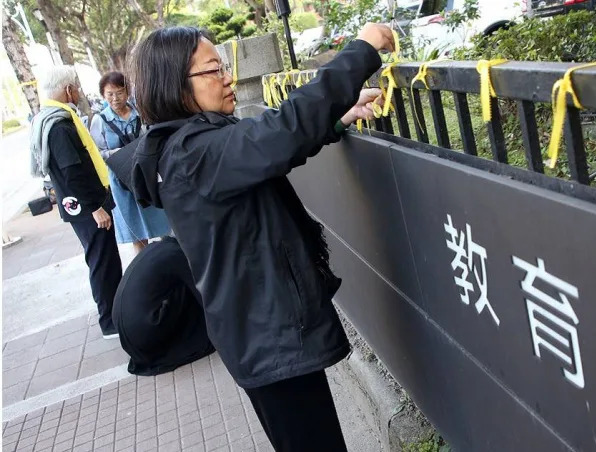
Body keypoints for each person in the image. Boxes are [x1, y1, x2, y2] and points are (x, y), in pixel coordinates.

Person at [126, 25, 392, 450]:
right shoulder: (193, 153)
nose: (227, 77)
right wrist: (361, 51)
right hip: (268, 337)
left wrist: (337, 117)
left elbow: (270, 152)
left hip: (258, 330)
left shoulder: (184, 148)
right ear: (175, 85)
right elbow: (278, 133)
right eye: (214, 70)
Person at [29, 66, 122, 339]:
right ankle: (110, 321)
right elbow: (71, 171)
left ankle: (115, 313)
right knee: (102, 261)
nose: (79, 92)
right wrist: (95, 208)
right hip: (87, 207)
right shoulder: (58, 125)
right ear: (68, 89)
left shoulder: (46, 118)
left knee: (104, 258)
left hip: (81, 204)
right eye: (77, 87)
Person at [90, 72, 171, 255]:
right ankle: (146, 269)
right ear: (103, 95)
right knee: (137, 233)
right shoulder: (99, 120)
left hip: (146, 173)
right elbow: (97, 153)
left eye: (119, 92)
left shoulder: (140, 112)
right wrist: (117, 153)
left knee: (164, 222)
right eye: (109, 94)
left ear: (127, 92)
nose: (115, 98)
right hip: (122, 180)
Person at [113, 237, 214, 376]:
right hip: (146, 333)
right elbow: (206, 298)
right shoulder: (179, 255)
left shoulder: (159, 248)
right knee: (192, 286)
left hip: (132, 337)